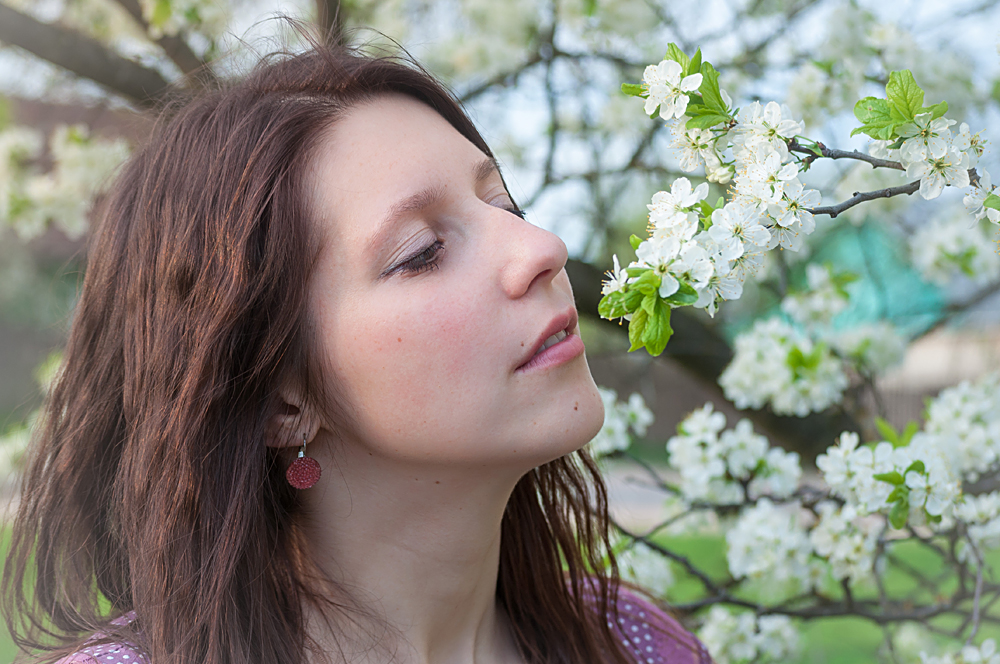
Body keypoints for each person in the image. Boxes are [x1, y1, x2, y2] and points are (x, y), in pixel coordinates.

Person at [1, 28, 712, 664]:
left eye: (506, 205)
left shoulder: (636, 644)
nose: (542, 247)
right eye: (425, 251)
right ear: (284, 400)